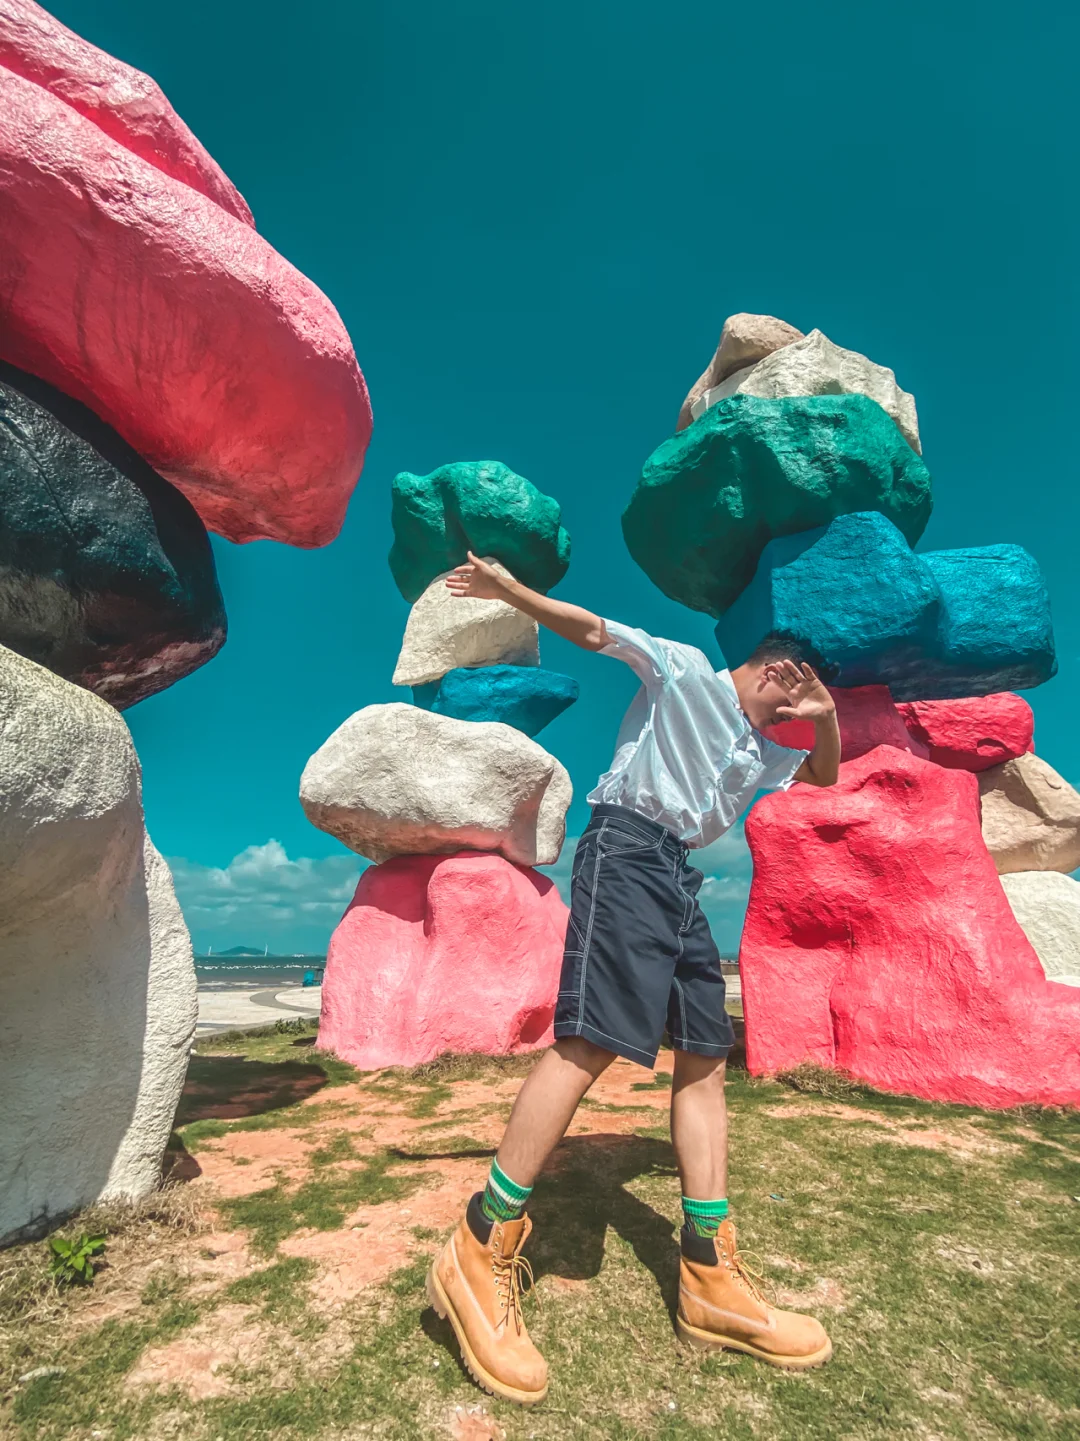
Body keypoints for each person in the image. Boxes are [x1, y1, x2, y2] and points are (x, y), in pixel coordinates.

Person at [426, 552, 842, 1406]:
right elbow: (593, 630)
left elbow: (824, 774)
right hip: (624, 847)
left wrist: (826, 718)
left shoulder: (763, 750)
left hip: (678, 873)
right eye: (793, 692)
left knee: (703, 1053)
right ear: (773, 666)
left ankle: (707, 1272)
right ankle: (480, 1238)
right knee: (590, 1042)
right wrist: (512, 593)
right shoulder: (686, 670)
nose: (794, 710)